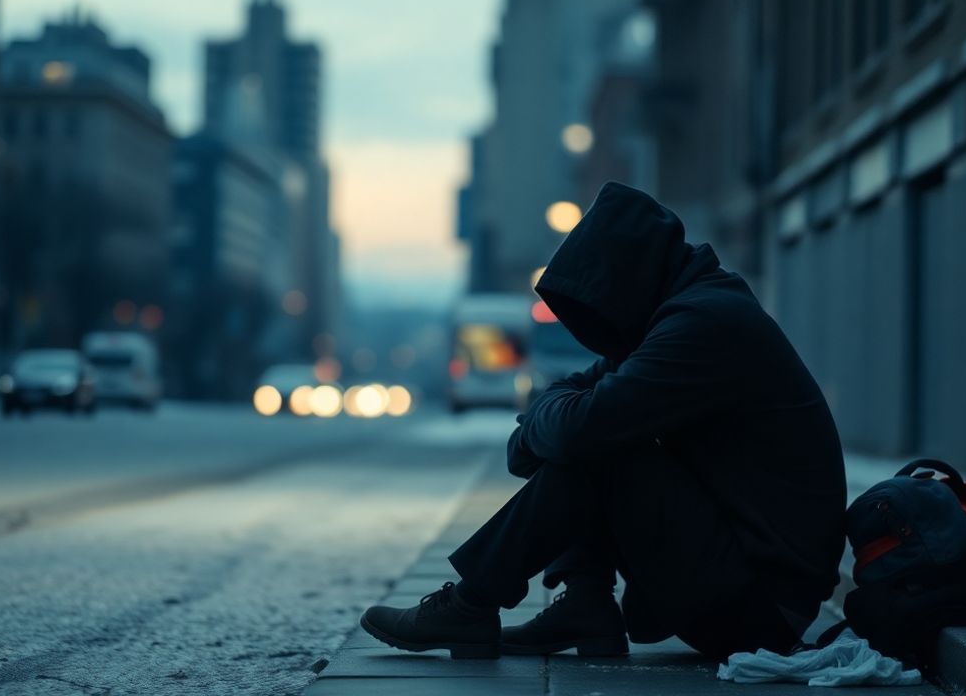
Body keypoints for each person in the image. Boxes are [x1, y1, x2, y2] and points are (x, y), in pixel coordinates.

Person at [360, 182, 846, 660]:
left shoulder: (706, 324)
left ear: (628, 275)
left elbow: (571, 429)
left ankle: (470, 604)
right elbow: (536, 441)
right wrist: (552, 420)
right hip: (741, 578)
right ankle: (584, 603)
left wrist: (550, 419)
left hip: (763, 608)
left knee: (602, 445)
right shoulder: (677, 315)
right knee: (594, 436)